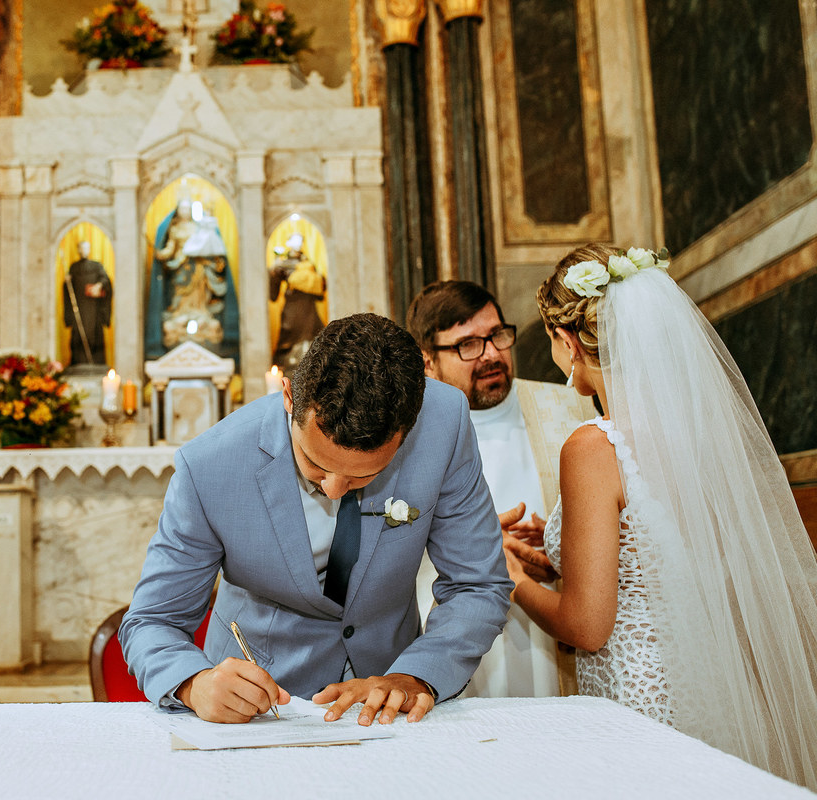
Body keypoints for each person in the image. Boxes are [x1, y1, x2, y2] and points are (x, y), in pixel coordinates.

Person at [504, 244, 817, 788]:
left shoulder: (593, 446)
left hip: (642, 698)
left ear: (568, 342)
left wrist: (510, 578)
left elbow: (587, 627)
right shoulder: (703, 432)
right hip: (719, 686)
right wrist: (560, 553)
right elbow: (669, 555)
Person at [120, 313, 510, 726]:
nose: (334, 490)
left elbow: (477, 584)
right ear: (289, 397)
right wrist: (193, 684)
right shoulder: (209, 466)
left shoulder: (444, 422)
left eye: (363, 476)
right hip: (261, 711)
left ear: (408, 431)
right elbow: (152, 621)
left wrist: (417, 675)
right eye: (315, 465)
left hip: (391, 705)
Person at [406, 281, 593, 698]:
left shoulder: (571, 405)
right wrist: (478, 547)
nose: (491, 354)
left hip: (556, 630)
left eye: (497, 336)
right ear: (427, 361)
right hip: (450, 639)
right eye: (468, 345)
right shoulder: (405, 434)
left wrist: (563, 545)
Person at [145, 199, 240, 365]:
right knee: (180, 296)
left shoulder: (199, 227)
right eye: (182, 208)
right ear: (177, 211)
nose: (185, 211)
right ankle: (181, 314)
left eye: (188, 208)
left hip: (198, 268)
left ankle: (200, 312)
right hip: (181, 269)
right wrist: (162, 254)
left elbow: (210, 243)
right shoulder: (175, 229)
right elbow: (170, 248)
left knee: (199, 294)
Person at [269, 233, 326, 375]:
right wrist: (274, 274)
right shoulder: (282, 264)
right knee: (288, 346)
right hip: (292, 311)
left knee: (313, 346)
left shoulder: (308, 265)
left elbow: (320, 291)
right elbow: (273, 295)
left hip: (308, 311)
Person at [62, 240, 112, 369]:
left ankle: (96, 362)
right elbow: (68, 289)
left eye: (86, 248)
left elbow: (106, 281)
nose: (84, 251)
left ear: (89, 249)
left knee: (95, 335)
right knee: (78, 335)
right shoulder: (74, 267)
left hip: (94, 310)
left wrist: (99, 285)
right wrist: (67, 282)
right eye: (81, 248)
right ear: (78, 250)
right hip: (79, 309)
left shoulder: (97, 266)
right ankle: (78, 363)